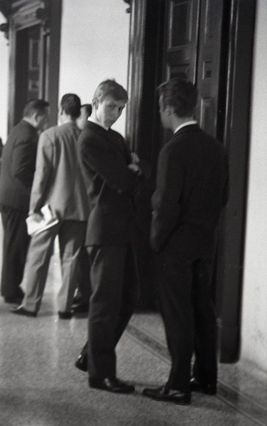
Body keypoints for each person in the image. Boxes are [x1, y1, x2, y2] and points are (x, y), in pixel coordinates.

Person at [142, 78, 228, 405]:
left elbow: (166, 204)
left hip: (176, 245)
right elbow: (224, 196)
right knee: (203, 310)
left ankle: (178, 385)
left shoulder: (172, 149)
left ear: (168, 108)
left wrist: (156, 240)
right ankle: (206, 377)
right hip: (205, 242)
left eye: (160, 108)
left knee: (178, 315)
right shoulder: (216, 147)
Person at [74, 80, 148, 394]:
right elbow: (123, 180)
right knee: (105, 303)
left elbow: (136, 172)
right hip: (105, 229)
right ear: (96, 102)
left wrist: (134, 168)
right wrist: (133, 168)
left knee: (128, 297)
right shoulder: (89, 138)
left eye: (120, 109)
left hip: (122, 228)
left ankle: (90, 356)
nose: (115, 113)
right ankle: (100, 374)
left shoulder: (115, 137)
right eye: (111, 107)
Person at [10, 94, 90, 319]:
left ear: (61, 111)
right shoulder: (85, 137)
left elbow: (41, 175)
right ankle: (65, 308)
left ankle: (31, 304)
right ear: (78, 113)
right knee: (71, 258)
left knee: (39, 255)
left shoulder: (49, 135)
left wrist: (33, 208)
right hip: (79, 208)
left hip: (51, 208)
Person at [0, 99, 50, 304]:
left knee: (13, 245)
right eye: (46, 117)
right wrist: (37, 189)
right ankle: (11, 290)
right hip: (16, 199)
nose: (47, 121)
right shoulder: (28, 135)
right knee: (16, 247)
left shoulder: (19, 129)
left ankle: (9, 287)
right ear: (36, 116)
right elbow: (20, 170)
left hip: (9, 197)